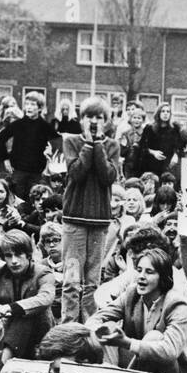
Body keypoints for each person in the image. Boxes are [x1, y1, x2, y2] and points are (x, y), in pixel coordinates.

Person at [89, 246, 187, 373]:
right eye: (139, 270)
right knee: (107, 329)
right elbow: (97, 318)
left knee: (154, 338)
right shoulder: (132, 294)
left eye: (149, 272)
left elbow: (169, 351)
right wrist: (98, 330)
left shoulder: (177, 304)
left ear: (163, 277)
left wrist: (127, 343)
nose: (141, 276)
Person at [59, 96, 121, 321]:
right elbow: (76, 172)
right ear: (81, 119)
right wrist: (88, 143)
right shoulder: (71, 142)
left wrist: (98, 145)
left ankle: (89, 329)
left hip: (99, 223)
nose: (94, 121)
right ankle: (68, 329)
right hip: (74, 220)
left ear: (106, 121)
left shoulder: (112, 145)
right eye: (89, 117)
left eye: (99, 117)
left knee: (92, 282)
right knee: (72, 280)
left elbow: (108, 177)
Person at [0, 228, 55, 359]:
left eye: (18, 255)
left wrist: (11, 308)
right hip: (3, 331)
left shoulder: (43, 272)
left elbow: (46, 297)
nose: (14, 261)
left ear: (28, 254)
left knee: (26, 314)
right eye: (8, 255)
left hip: (38, 336)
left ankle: (3, 361)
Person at [0, 90, 58, 199]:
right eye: (27, 104)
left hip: (37, 173)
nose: (29, 107)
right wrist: (5, 159)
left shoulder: (45, 126)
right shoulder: (18, 124)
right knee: (17, 201)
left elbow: (57, 143)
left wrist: (49, 155)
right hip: (18, 171)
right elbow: (0, 139)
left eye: (32, 104)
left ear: (40, 108)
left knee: (34, 201)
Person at [135, 102, 181, 178]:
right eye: (163, 111)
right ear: (158, 113)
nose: (165, 114)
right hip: (151, 163)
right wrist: (153, 152)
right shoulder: (150, 128)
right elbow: (141, 146)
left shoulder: (174, 129)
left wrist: (176, 155)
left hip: (167, 164)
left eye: (168, 111)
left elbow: (178, 146)